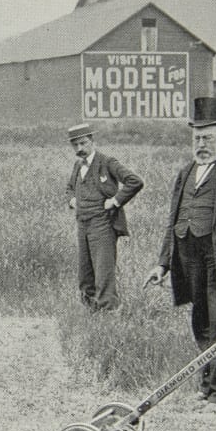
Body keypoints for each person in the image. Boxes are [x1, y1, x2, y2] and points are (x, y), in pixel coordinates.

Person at [144, 97, 216, 412]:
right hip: (190, 260)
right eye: (197, 138)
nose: (201, 145)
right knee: (202, 324)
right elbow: (173, 222)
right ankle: (207, 387)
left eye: (208, 138)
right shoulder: (185, 172)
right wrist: (162, 264)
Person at [65, 123, 143, 310]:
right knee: (85, 275)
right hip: (83, 225)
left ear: (92, 141)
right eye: (75, 145)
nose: (79, 148)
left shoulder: (107, 162)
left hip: (103, 225)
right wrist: (72, 200)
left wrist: (116, 201)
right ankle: (91, 314)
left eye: (83, 143)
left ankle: (109, 314)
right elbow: (69, 188)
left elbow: (135, 181)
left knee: (103, 274)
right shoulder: (78, 165)